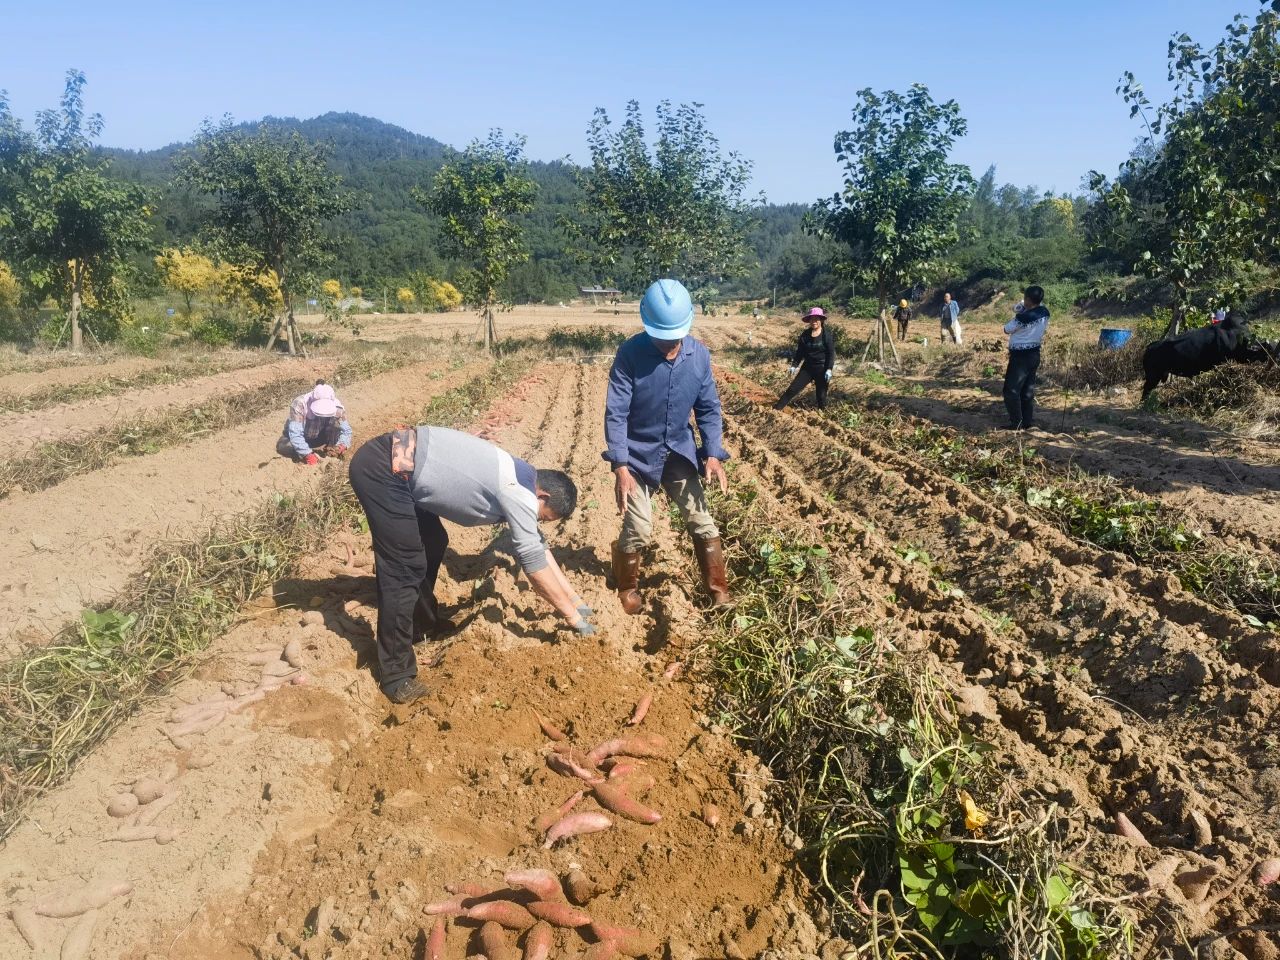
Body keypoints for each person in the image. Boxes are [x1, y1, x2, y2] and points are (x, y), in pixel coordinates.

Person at [349, 425, 590, 703]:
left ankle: (422, 625)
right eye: (544, 517)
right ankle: (396, 675)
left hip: (400, 461)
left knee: (433, 541)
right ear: (542, 496)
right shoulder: (520, 493)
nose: (538, 522)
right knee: (404, 568)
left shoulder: (521, 474)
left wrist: (576, 600)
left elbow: (539, 547)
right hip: (385, 470)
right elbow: (533, 564)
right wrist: (572, 618)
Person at [605, 278, 732, 615]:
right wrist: (620, 465)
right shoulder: (630, 354)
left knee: (702, 522)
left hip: (678, 452)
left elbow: (708, 408)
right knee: (640, 526)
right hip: (637, 456)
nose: (667, 341)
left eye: (673, 334)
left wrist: (714, 453)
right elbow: (616, 412)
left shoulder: (699, 355)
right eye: (660, 334)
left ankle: (718, 591)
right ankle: (626, 585)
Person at [1001, 285, 1049, 431]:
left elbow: (1006, 329)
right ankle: (1027, 421)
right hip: (1034, 354)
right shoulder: (1044, 312)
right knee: (1027, 390)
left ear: (1027, 299)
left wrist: (1021, 309)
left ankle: (1016, 422)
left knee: (1011, 390)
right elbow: (1027, 307)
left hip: (1020, 357)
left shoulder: (1022, 318)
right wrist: (1024, 306)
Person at [774, 307, 836, 411]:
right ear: (809, 321)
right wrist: (794, 365)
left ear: (821, 320)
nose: (814, 321)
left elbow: (831, 353)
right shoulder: (805, 335)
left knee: (821, 396)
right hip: (807, 368)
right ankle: (776, 409)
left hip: (822, 368)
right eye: (812, 319)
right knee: (793, 389)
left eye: (816, 319)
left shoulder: (826, 336)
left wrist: (829, 369)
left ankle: (823, 417)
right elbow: (800, 352)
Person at [277, 381, 352, 464]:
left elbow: (346, 431)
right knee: (283, 447)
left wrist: (341, 446)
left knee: (337, 426)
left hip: (320, 436)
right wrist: (308, 455)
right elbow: (295, 434)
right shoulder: (300, 404)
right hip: (303, 436)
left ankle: (329, 449)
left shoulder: (337, 407)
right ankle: (302, 452)